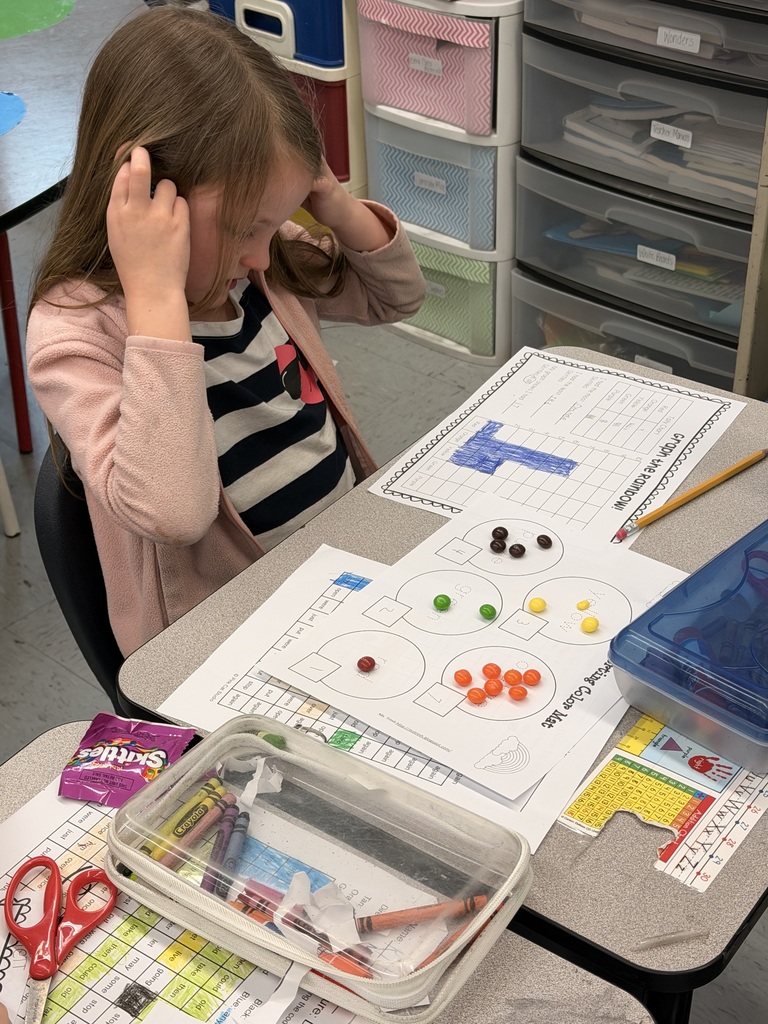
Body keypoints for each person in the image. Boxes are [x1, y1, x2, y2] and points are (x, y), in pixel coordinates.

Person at [26, 7, 424, 658]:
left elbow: (395, 298)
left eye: (273, 224)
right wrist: (156, 298)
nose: (264, 257)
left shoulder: (252, 267)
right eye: (246, 228)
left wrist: (329, 200)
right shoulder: (75, 331)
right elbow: (174, 511)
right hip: (228, 642)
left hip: (340, 576)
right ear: (149, 199)